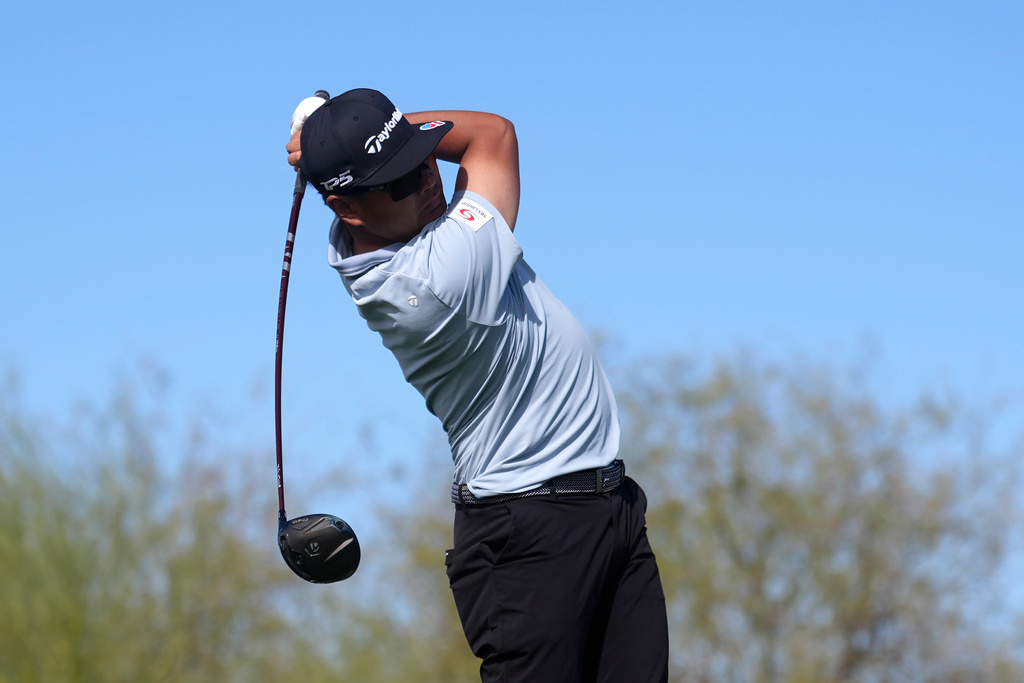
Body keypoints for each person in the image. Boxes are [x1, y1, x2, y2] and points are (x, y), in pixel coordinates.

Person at [286, 88, 668, 683]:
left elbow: (433, 156)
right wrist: (351, 139)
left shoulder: (386, 230)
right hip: (530, 537)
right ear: (347, 207)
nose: (427, 179)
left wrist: (352, 140)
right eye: (400, 178)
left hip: (607, 508)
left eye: (420, 158)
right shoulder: (437, 278)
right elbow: (493, 135)